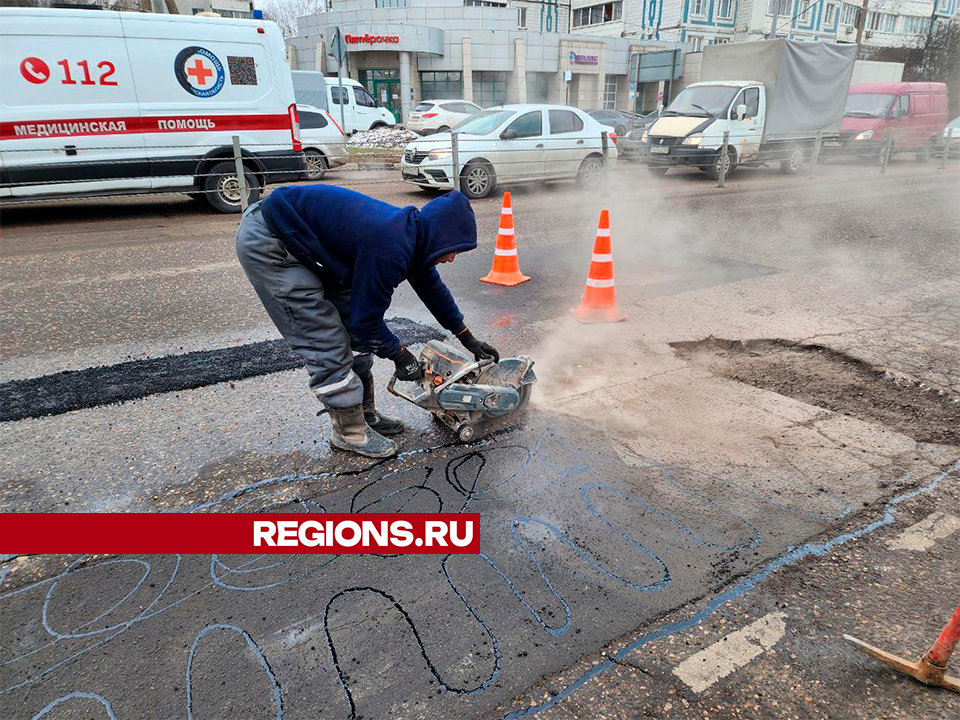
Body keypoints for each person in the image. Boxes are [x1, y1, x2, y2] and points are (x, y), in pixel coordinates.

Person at [235, 185, 499, 459]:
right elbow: (368, 322)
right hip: (271, 242)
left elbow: (432, 289)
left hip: (303, 240)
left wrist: (467, 337)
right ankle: (349, 432)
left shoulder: (415, 235)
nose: (453, 258)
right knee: (324, 338)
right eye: (453, 250)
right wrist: (400, 355)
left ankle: (363, 414)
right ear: (440, 237)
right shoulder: (389, 249)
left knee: (354, 326)